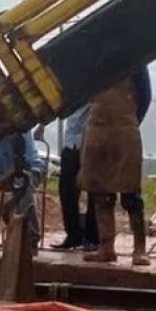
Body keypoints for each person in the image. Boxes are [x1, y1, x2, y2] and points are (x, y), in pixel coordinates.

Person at [79, 66, 153, 266]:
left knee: (131, 195)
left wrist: (130, 122)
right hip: (97, 128)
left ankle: (139, 249)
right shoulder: (93, 61)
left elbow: (145, 96)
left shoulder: (136, 60)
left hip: (125, 128)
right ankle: (106, 247)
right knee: (100, 193)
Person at [45, 104, 99, 251]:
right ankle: (74, 235)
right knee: (66, 190)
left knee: (93, 189)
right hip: (70, 142)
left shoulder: (95, 87)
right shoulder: (74, 90)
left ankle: (93, 237)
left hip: (90, 140)